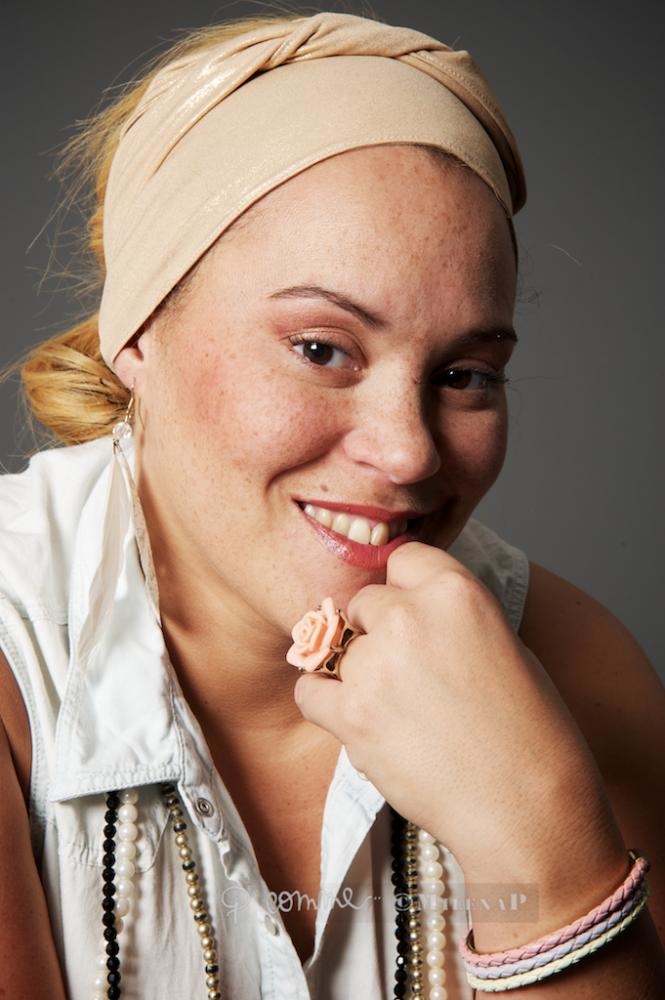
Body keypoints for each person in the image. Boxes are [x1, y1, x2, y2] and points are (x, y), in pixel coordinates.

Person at [0, 10, 663, 1000]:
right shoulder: (17, 655)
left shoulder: (573, 671)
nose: (407, 451)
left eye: (465, 374)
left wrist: (535, 831)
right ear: (135, 330)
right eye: (320, 349)